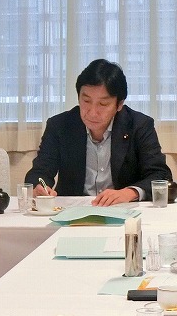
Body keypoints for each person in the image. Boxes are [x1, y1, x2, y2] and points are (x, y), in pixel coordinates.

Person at [24, 58, 172, 206]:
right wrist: (39, 188)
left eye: (103, 104)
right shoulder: (60, 125)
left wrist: (129, 192)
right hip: (72, 210)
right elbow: (39, 172)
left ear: (119, 104)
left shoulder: (139, 125)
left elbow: (160, 175)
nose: (92, 112)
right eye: (86, 101)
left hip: (123, 209)